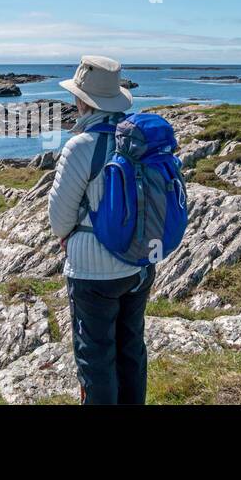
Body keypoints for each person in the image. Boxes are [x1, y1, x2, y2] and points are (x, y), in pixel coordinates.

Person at [47, 55, 152, 405]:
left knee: (96, 360)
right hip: (139, 264)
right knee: (131, 350)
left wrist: (68, 236)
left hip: (93, 274)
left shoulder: (81, 146)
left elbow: (59, 219)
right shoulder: (140, 141)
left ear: (83, 101)